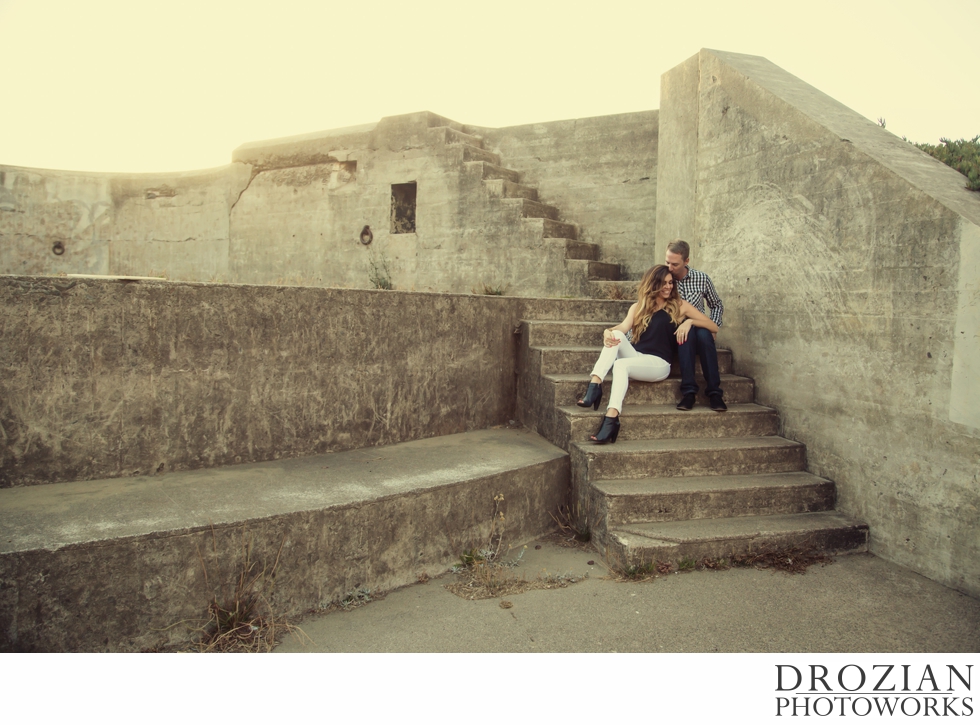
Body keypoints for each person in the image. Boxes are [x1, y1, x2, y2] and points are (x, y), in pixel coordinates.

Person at [577, 264, 718, 443]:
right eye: (664, 283)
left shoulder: (680, 306)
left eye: (670, 283)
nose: (668, 287)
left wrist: (689, 322)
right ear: (653, 284)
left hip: (658, 364)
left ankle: (611, 417)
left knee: (620, 365)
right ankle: (595, 385)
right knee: (617, 335)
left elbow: (713, 327)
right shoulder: (638, 307)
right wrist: (608, 331)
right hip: (637, 357)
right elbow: (623, 327)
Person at [665, 239, 727, 412]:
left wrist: (712, 325)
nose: (670, 267)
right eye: (667, 262)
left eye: (675, 264)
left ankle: (715, 394)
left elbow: (716, 305)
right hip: (675, 329)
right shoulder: (665, 279)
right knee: (687, 334)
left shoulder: (702, 278)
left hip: (699, 326)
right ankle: (689, 393)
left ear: (686, 261)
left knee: (703, 334)